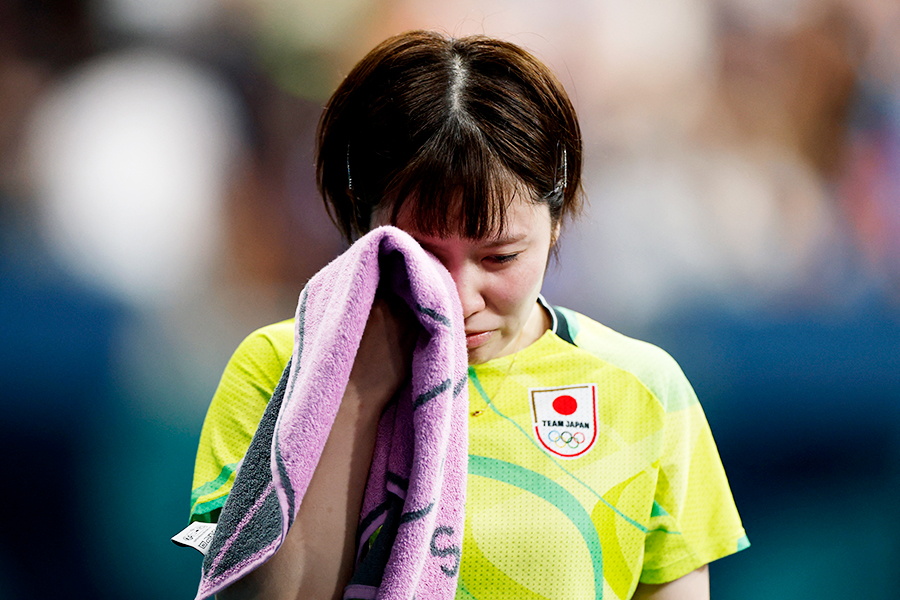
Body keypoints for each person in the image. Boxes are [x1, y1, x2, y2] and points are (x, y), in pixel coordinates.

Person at [188, 30, 748, 600]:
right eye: (423, 254)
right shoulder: (275, 369)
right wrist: (354, 390)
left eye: (500, 256)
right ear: (362, 223)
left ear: (555, 222)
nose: (458, 298)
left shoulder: (645, 387)